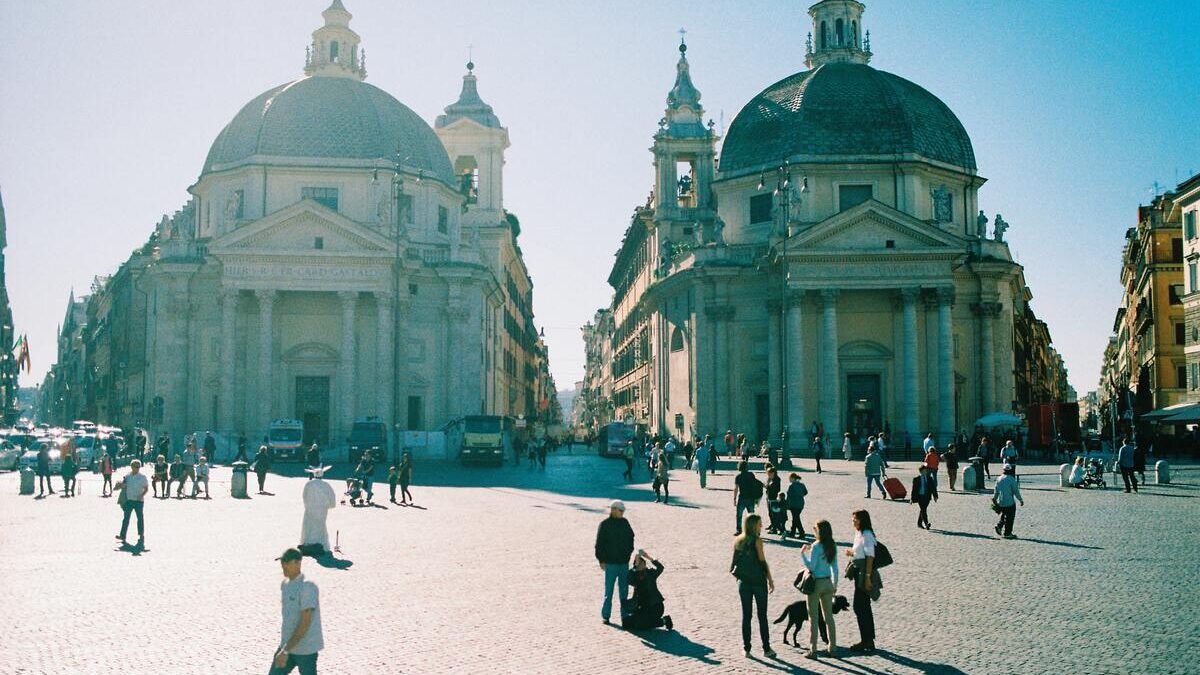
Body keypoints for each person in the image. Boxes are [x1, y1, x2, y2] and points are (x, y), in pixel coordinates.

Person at [271, 548, 324, 675]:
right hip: (286, 647)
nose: (283, 565)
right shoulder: (285, 585)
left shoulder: (307, 587)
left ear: (298, 563)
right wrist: (284, 648)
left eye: (286, 562)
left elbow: (305, 623)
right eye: (282, 562)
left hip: (306, 651)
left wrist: (285, 650)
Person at [730, 513, 776, 658]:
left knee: (746, 616)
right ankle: (766, 648)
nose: (761, 526)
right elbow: (762, 562)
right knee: (762, 616)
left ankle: (746, 648)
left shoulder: (738, 540)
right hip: (758, 582)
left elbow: (733, 563)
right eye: (759, 523)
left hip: (743, 582)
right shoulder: (757, 541)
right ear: (754, 525)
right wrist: (770, 579)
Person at [799, 519, 839, 658]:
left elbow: (811, 566)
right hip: (828, 582)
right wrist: (835, 585)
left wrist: (803, 554)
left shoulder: (816, 546)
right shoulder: (831, 545)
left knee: (814, 617)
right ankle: (832, 648)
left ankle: (813, 650)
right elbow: (835, 567)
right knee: (829, 618)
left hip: (816, 583)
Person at [844, 510, 880, 652]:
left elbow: (870, 557)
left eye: (855, 519)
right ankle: (868, 640)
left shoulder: (867, 535)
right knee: (863, 606)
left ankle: (866, 640)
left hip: (864, 573)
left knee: (860, 606)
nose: (853, 521)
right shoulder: (859, 533)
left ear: (861, 520)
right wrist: (851, 553)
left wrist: (867, 578)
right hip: (859, 571)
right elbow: (859, 552)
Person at [595, 500, 635, 625]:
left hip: (623, 563)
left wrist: (628, 553)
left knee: (624, 591)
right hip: (610, 563)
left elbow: (631, 538)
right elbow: (599, 544)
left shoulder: (625, 523)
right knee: (609, 591)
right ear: (613, 510)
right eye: (620, 511)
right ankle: (606, 615)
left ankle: (625, 616)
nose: (622, 513)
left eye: (623, 511)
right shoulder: (604, 524)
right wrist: (601, 560)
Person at [623, 549, 672, 631]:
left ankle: (664, 620)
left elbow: (660, 568)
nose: (641, 565)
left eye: (642, 563)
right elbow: (628, 578)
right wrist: (635, 566)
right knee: (626, 623)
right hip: (642, 607)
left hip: (655, 606)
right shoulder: (635, 577)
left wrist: (648, 557)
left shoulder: (651, 574)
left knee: (642, 624)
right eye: (638, 564)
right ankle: (651, 621)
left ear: (645, 564)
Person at [301, 466, 337, 555]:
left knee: (309, 525)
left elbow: (304, 496)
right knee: (320, 525)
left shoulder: (308, 484)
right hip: (322, 509)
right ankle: (320, 543)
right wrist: (330, 505)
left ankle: (308, 542)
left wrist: (307, 505)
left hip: (310, 508)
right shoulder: (326, 485)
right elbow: (332, 497)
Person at [114, 459, 149, 548]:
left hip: (139, 501)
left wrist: (142, 495)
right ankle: (122, 535)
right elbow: (124, 485)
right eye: (135, 466)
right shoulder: (127, 476)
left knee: (140, 518)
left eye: (138, 467)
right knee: (126, 518)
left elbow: (146, 489)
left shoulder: (142, 477)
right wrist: (119, 485)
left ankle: (141, 535)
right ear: (131, 467)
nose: (137, 468)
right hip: (129, 500)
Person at [992, 465, 1024, 538]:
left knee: (1004, 515)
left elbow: (996, 490)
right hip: (1010, 502)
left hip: (1001, 502)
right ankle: (1007, 533)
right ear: (1010, 470)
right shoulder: (1011, 479)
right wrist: (1020, 500)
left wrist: (994, 498)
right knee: (1010, 518)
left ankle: (999, 526)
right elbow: (1016, 491)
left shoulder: (999, 479)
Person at [733, 461, 764, 535]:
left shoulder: (738, 477)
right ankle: (754, 530)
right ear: (747, 467)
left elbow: (736, 488)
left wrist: (734, 498)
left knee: (739, 515)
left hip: (742, 498)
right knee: (752, 516)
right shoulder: (751, 475)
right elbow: (756, 483)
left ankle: (739, 530)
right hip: (751, 497)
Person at [911, 464, 938, 529]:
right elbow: (914, 490)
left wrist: (935, 496)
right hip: (920, 497)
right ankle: (926, 524)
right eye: (924, 471)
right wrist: (912, 498)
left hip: (927, 496)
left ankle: (919, 523)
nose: (925, 472)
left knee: (923, 510)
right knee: (923, 510)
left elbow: (933, 488)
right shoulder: (916, 479)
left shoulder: (929, 478)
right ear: (920, 471)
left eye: (926, 471)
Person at [786, 473, 809, 538]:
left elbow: (789, 496)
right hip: (800, 503)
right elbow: (805, 492)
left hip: (793, 504)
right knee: (796, 518)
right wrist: (800, 496)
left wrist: (787, 505)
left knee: (795, 518)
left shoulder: (791, 486)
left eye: (790, 478)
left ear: (793, 478)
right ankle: (795, 532)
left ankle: (799, 533)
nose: (789, 479)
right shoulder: (802, 485)